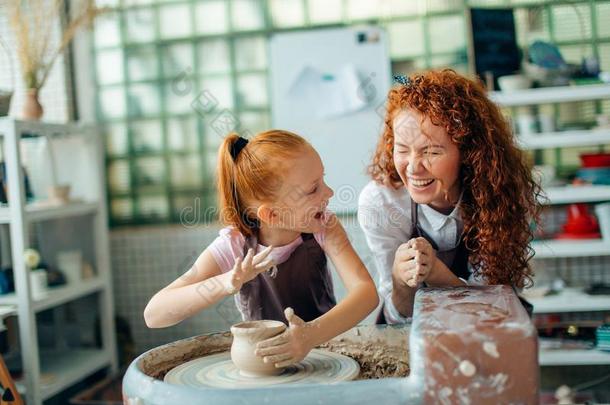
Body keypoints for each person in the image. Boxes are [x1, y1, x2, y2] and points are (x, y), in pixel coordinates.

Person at [144, 129, 378, 368]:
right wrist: (225, 283)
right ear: (272, 214)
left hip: (326, 354)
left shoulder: (324, 227)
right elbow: (155, 314)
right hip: (263, 365)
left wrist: (309, 336)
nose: (329, 193)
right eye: (313, 189)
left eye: (323, 180)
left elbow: (367, 294)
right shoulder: (234, 246)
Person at [358, 69, 541, 323]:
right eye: (402, 150)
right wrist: (401, 280)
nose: (413, 167)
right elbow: (397, 316)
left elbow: (491, 307)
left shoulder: (499, 193)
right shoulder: (381, 202)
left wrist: (434, 271)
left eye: (431, 152)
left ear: (468, 151)